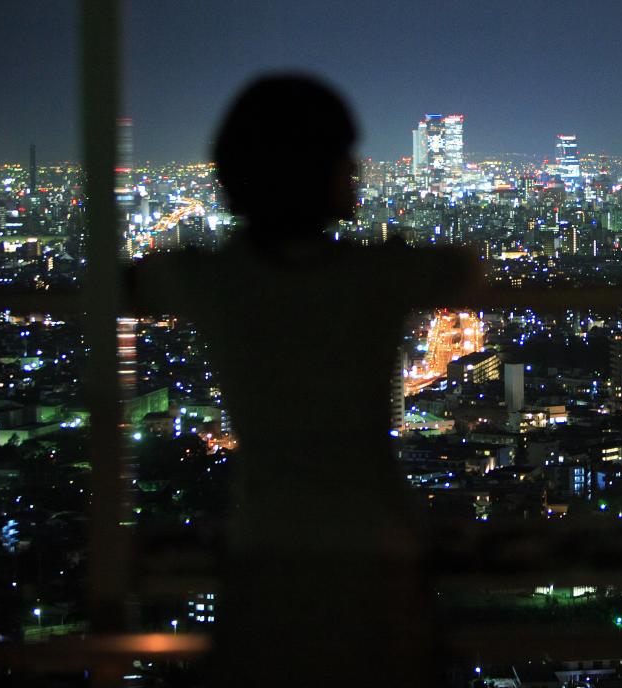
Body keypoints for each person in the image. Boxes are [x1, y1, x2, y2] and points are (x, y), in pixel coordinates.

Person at [129, 74, 479, 686]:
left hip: (265, 544)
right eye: (346, 160)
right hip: (376, 545)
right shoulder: (378, 275)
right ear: (323, 175)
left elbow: (135, 280)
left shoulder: (212, 279)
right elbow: (464, 268)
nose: (357, 172)